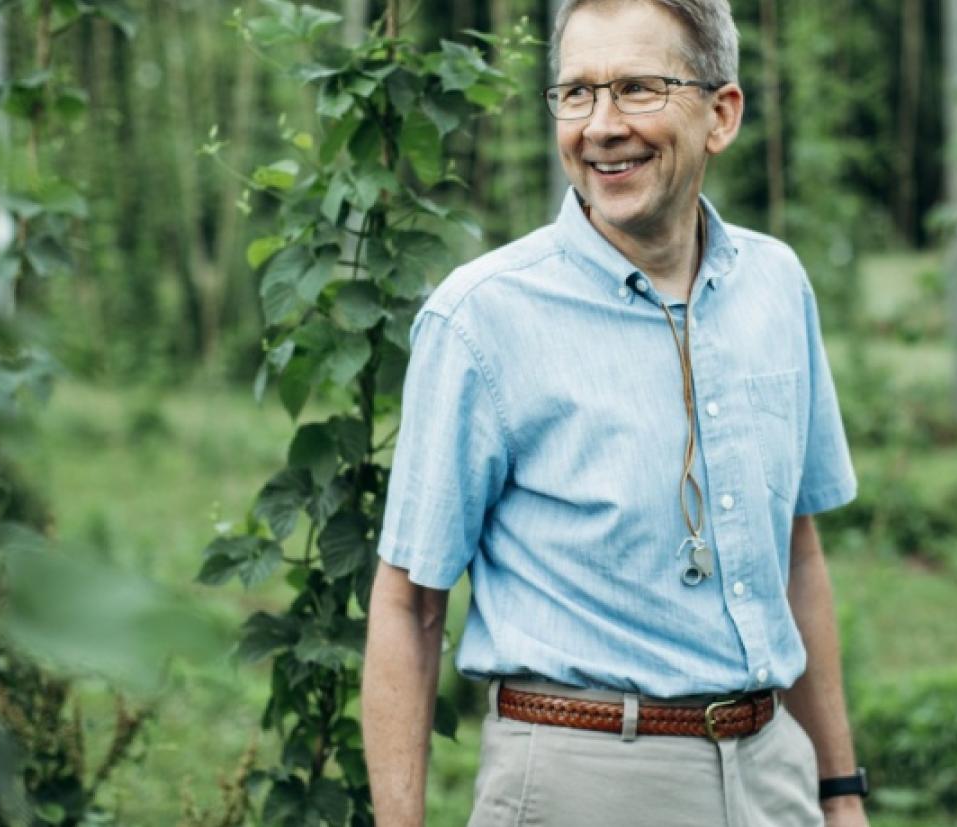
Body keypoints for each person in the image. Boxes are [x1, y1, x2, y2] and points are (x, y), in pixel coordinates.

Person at [362, 0, 869, 824]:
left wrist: (839, 794)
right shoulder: (483, 318)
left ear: (722, 113)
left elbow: (797, 557)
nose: (600, 127)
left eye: (636, 88)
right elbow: (408, 604)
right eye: (575, 93)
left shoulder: (776, 287)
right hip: (579, 780)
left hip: (775, 771)